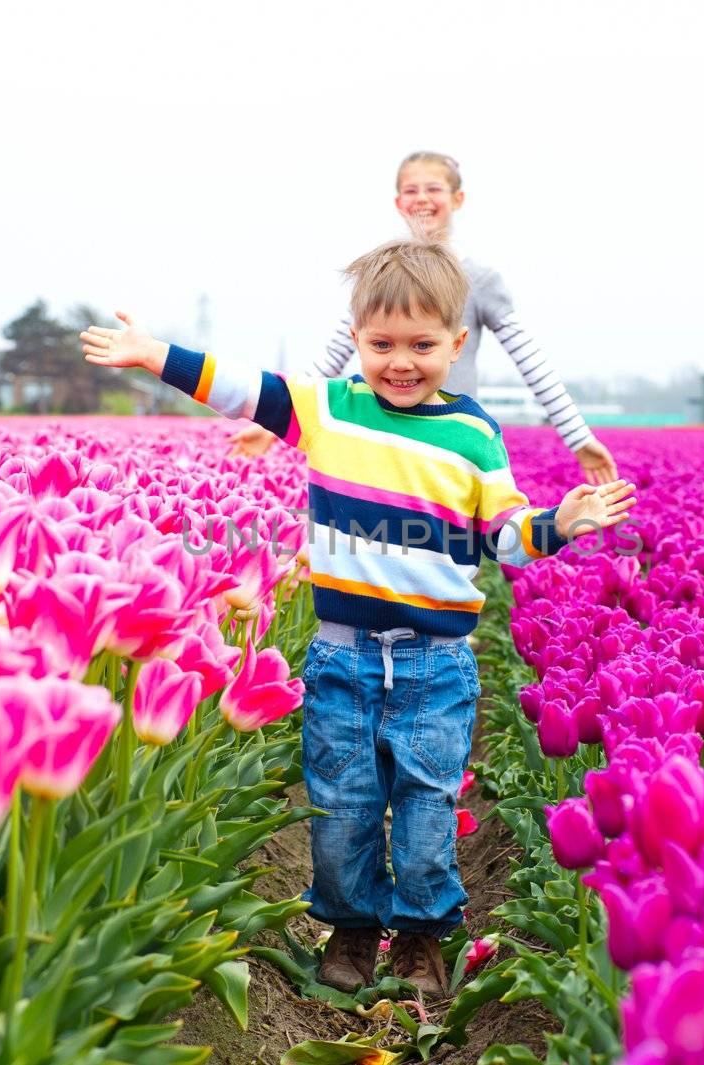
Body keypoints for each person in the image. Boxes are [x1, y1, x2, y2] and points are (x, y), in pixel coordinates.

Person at [81, 238, 635, 997]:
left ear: (457, 343)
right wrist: (154, 354)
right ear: (356, 337)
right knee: (340, 804)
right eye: (380, 344)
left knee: (426, 803)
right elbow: (246, 388)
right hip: (342, 656)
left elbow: (503, 534)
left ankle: (420, 938)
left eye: (421, 345)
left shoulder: (473, 434)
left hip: (435, 662)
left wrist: (559, 521)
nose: (400, 362)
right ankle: (349, 926)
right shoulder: (328, 408)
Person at [231, 151, 619, 486]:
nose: (423, 199)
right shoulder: (380, 275)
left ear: (457, 198)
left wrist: (578, 439)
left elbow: (530, 361)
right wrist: (274, 419)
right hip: (384, 433)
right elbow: (334, 353)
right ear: (399, 202)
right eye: (412, 190)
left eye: (434, 189)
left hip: (452, 432)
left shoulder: (480, 280)